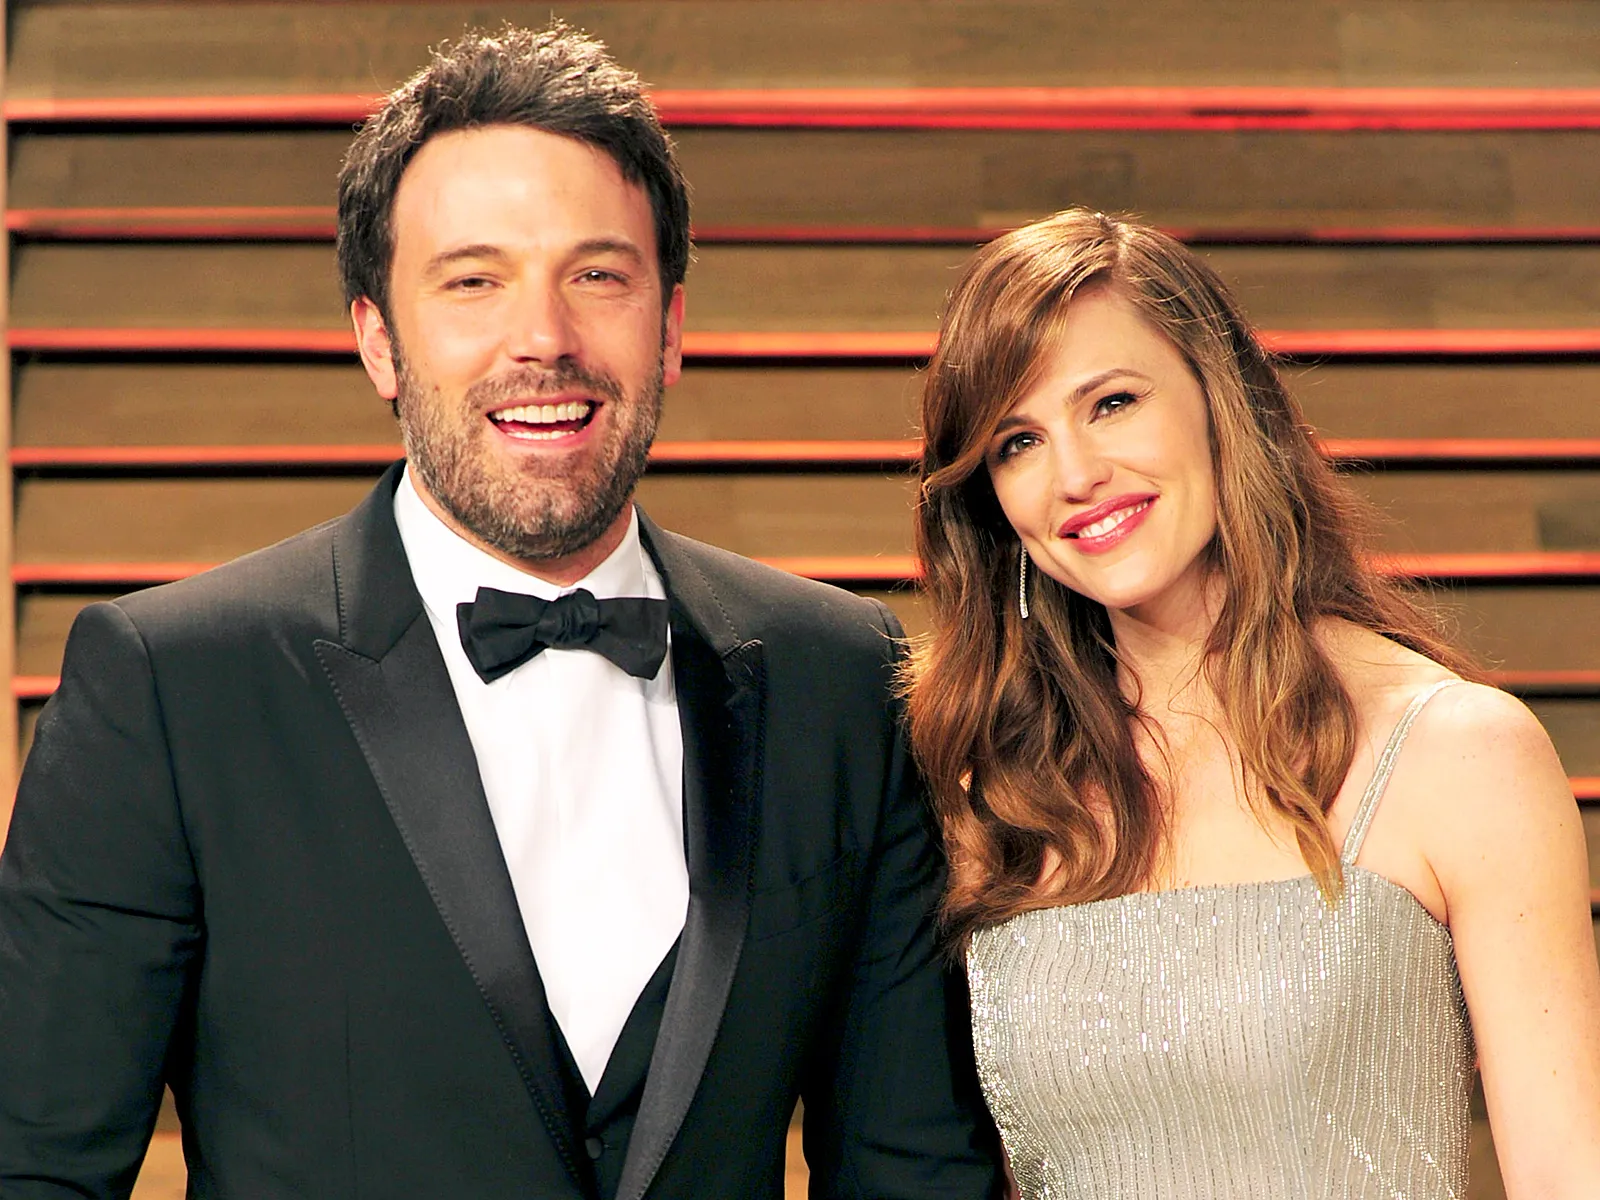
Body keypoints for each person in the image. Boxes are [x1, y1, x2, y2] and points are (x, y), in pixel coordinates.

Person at [0, 25, 1001, 1200]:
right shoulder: (171, 689)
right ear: (379, 341)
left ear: (671, 326)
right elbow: (36, 1172)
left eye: (597, 275)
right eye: (473, 280)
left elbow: (913, 1172)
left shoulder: (843, 678)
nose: (544, 339)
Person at [904, 208, 1600, 1197]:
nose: (1073, 475)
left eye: (1109, 403)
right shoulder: (995, 797)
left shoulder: (1456, 753)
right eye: (1017, 441)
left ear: (1216, 398)